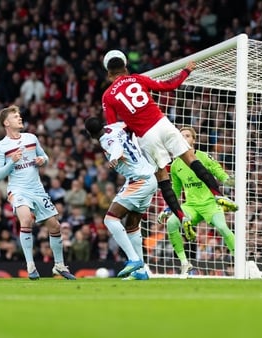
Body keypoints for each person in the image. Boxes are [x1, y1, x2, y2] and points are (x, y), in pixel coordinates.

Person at [101, 50, 237, 232]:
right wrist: (186, 71)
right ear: (125, 68)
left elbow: (113, 128)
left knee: (162, 178)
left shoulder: (108, 96)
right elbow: (168, 86)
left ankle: (181, 217)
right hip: (162, 123)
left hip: (146, 137)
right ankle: (217, 194)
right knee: (191, 159)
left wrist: (122, 141)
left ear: (109, 74)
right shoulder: (137, 79)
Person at [0, 105, 76, 280]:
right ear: (6, 122)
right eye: (15, 116)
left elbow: (45, 157)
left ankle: (59, 266)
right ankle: (31, 266)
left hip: (37, 189)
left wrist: (41, 160)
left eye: (19, 115)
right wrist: (11, 162)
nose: (20, 118)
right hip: (17, 189)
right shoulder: (1, 147)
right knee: (26, 219)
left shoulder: (31, 138)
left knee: (55, 226)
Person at [85, 117, 157, 280]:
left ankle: (133, 260)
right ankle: (141, 272)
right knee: (132, 225)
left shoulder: (105, 140)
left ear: (91, 135)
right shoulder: (115, 127)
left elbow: (116, 147)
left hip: (139, 181)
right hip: (149, 178)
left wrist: (114, 158)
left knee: (110, 219)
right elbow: (128, 124)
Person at [157, 126, 235, 277]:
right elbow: (176, 191)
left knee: (223, 228)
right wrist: (168, 209)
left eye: (187, 136)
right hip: (191, 206)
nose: (184, 139)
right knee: (171, 223)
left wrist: (227, 179)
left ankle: (239, 260)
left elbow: (217, 171)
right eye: (181, 136)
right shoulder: (175, 165)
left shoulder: (204, 157)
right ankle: (185, 263)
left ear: (194, 140)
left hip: (209, 204)